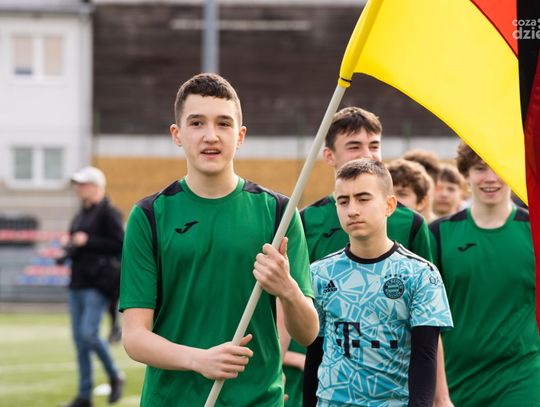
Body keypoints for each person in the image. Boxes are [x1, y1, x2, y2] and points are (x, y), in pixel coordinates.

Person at [119, 73, 319, 406]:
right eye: (197, 123)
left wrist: (287, 288)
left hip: (258, 401)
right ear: (177, 134)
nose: (211, 136)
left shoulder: (279, 213)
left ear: (240, 136)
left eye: (223, 124)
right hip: (171, 400)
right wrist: (199, 359)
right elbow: (135, 337)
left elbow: (308, 332)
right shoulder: (149, 215)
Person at [301, 107, 446, 406]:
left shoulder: (421, 274)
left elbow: (425, 356)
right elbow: (315, 355)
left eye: (363, 199)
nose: (352, 209)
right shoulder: (320, 274)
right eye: (343, 201)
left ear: (389, 205)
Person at [429, 142, 540, 406]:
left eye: (498, 168)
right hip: (458, 380)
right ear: (466, 174)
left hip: (523, 377)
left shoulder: (534, 231)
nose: (490, 178)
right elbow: (426, 317)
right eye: (480, 169)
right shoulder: (439, 234)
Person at [59, 166, 125, 407]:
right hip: (77, 282)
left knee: (89, 334)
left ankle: (115, 374)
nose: (78, 188)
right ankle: (84, 395)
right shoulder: (80, 215)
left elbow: (120, 243)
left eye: (83, 184)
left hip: (98, 283)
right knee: (80, 342)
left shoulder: (109, 213)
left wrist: (88, 241)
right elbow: (78, 244)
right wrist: (69, 245)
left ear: (96, 186)